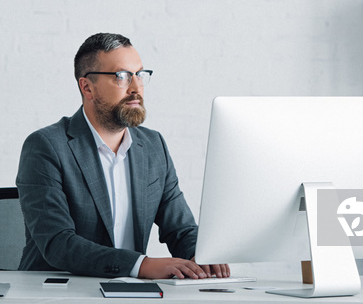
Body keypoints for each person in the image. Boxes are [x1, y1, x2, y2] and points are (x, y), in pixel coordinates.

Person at [16, 33, 229, 279]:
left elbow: (181, 229)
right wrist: (142, 265)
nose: (136, 88)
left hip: (131, 294)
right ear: (87, 87)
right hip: (59, 292)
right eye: (122, 76)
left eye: (140, 74)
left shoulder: (152, 146)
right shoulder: (46, 146)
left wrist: (200, 256)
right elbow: (58, 244)